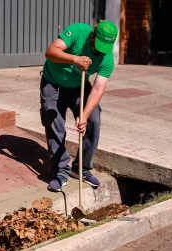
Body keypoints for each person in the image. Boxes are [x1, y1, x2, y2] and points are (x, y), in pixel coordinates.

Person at [40, 21, 118, 192]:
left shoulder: (107, 58)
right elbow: (50, 52)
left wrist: (84, 115)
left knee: (93, 120)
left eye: (104, 48)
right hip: (53, 82)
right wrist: (75, 59)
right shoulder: (77, 31)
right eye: (97, 46)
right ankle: (60, 171)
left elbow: (97, 89)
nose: (99, 51)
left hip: (79, 87)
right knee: (54, 123)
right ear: (93, 34)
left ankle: (80, 168)